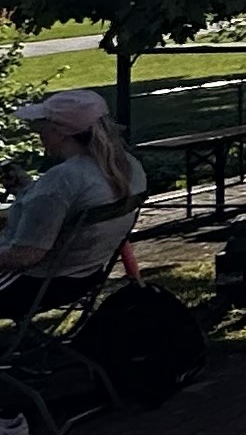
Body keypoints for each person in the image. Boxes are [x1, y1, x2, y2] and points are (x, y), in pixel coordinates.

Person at [0, 91, 146, 321]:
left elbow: (24, 257)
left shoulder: (61, 181)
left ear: (60, 131)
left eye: (42, 125)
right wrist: (26, 188)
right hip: (84, 277)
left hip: (31, 286)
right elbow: (62, 205)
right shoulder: (128, 167)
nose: (37, 131)